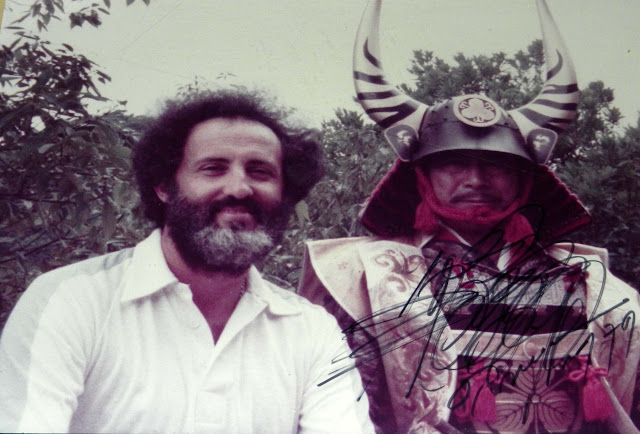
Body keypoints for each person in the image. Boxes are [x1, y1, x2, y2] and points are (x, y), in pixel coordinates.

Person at [299, 1, 640, 433]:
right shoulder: (359, 278)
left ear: (525, 180)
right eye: (453, 164)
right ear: (421, 176)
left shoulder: (591, 283)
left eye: (497, 166)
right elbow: (335, 401)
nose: (476, 179)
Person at [0, 89, 374, 433]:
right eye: (213, 168)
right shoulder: (71, 302)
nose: (239, 188)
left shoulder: (311, 331)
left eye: (260, 172)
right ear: (164, 186)